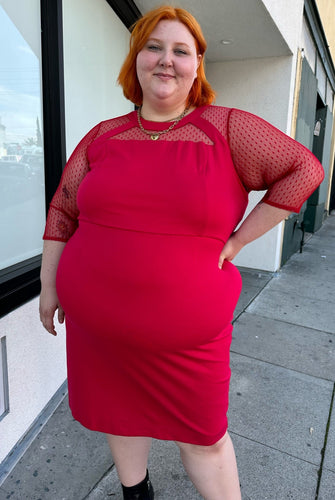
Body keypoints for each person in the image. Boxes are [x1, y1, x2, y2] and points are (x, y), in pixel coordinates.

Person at [39, 5, 324, 500]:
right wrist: (47, 287)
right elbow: (63, 211)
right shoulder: (103, 136)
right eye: (154, 47)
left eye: (180, 51)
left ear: (197, 66)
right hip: (98, 327)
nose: (166, 60)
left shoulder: (227, 127)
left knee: (205, 436)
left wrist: (238, 241)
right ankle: (136, 493)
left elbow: (304, 170)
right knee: (118, 412)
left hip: (188, 337)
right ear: (136, 62)